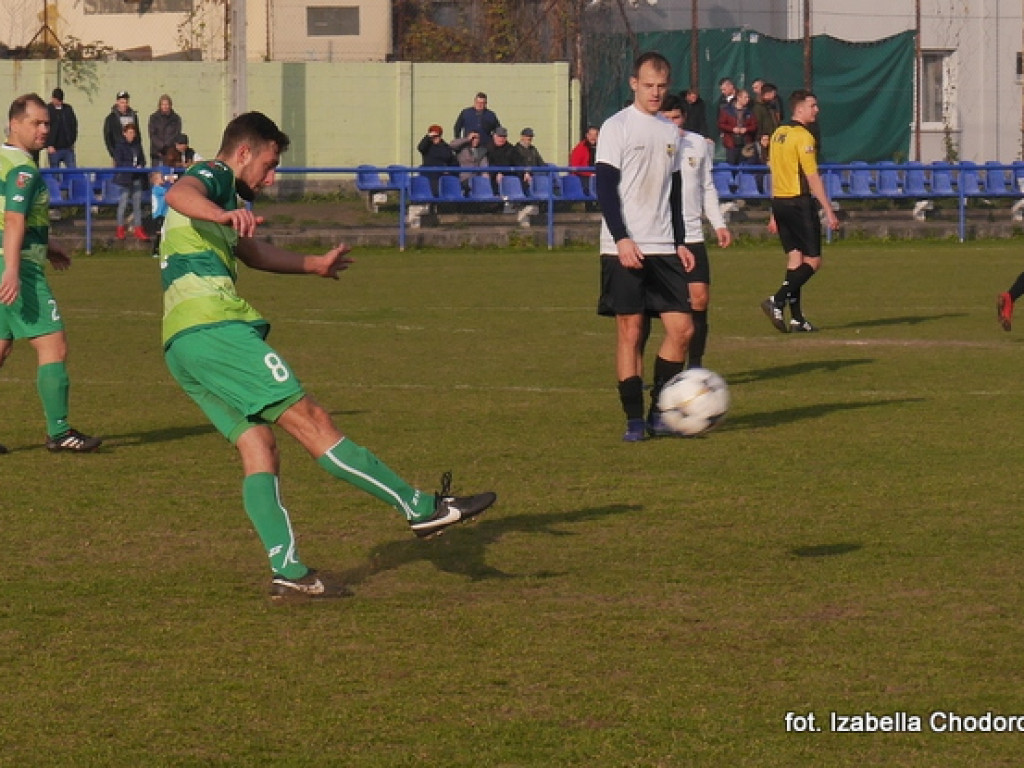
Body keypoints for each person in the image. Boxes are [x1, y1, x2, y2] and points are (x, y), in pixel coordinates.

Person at [158, 110, 496, 598]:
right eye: (269, 164)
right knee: (311, 418)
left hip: (182, 342)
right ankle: (421, 508)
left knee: (260, 447)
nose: (271, 178)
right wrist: (223, 212)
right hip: (214, 328)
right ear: (245, 151)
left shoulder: (225, 197)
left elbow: (251, 254)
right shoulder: (215, 175)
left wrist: (313, 264)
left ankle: (290, 573)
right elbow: (178, 193)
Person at [595, 52, 694, 442]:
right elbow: (604, 187)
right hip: (624, 245)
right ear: (634, 83)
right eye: (648, 86)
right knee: (631, 332)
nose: (655, 93)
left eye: (662, 87)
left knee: (682, 329)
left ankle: (659, 410)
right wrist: (621, 238)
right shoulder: (616, 126)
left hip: (664, 245)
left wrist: (682, 240)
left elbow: (674, 194)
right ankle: (635, 419)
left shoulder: (670, 132)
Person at [0, 93, 102, 454]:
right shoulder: (23, 169)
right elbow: (13, 218)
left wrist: (49, 243)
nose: (44, 129)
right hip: (18, 266)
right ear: (15, 124)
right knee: (53, 345)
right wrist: (12, 269)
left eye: (47, 123)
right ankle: (59, 433)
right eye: (36, 123)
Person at [657, 92, 732, 369]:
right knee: (648, 310)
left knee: (699, 299)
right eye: (666, 119)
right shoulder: (652, 144)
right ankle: (645, 368)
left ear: (684, 118)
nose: (672, 125)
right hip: (659, 236)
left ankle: (695, 367)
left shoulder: (697, 144)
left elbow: (706, 186)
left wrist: (719, 223)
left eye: (676, 118)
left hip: (691, 234)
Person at [761, 90, 839, 334]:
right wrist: (829, 210)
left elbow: (774, 173)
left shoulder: (778, 134)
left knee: (796, 259)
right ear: (799, 109)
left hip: (780, 203)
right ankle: (777, 299)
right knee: (813, 261)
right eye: (813, 106)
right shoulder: (803, 136)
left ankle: (796, 319)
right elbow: (812, 176)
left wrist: (773, 212)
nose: (817, 110)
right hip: (798, 203)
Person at [112, 123, 150, 242]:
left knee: (137, 205)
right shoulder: (119, 146)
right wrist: (132, 166)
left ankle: (138, 228)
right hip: (125, 178)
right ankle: (120, 228)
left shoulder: (137, 145)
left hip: (137, 178)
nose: (131, 135)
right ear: (124, 133)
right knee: (123, 204)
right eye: (129, 133)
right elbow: (119, 162)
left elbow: (142, 159)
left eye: (133, 133)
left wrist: (140, 166)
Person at [718, 88, 757, 166]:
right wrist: (732, 129)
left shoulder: (750, 112)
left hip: (745, 144)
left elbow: (754, 126)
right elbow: (721, 124)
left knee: (745, 166)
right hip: (731, 144)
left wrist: (746, 129)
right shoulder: (726, 111)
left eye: (748, 97)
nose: (747, 99)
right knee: (732, 166)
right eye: (745, 97)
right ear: (739, 98)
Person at [416, 124, 456, 195]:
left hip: (442, 174)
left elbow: (450, 158)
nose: (435, 138)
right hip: (429, 174)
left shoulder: (445, 146)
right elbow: (420, 147)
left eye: (437, 136)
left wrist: (449, 171)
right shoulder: (427, 147)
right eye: (433, 137)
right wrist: (428, 136)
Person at [45, 88, 77, 171]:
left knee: (72, 172)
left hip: (67, 148)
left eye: (61, 100)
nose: (59, 102)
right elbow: (44, 128)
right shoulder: (47, 110)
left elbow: (74, 125)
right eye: (57, 100)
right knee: (55, 174)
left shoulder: (68, 109)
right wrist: (48, 145)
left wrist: (72, 142)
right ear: (53, 98)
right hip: (54, 149)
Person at [103, 90, 141, 160]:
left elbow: (138, 135)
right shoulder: (111, 118)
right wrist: (113, 153)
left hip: (133, 153)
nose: (124, 105)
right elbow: (108, 137)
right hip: (118, 154)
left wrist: (139, 152)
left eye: (126, 102)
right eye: (122, 102)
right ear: (117, 102)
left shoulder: (133, 117)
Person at [147, 94, 182, 165]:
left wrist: (167, 145)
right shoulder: (153, 118)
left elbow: (177, 134)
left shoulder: (176, 118)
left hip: (171, 154)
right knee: (156, 174)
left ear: (170, 105)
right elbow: (152, 134)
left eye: (167, 104)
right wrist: (161, 146)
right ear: (160, 105)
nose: (165, 106)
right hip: (156, 153)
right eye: (163, 104)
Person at [752, 82, 782, 163]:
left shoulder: (770, 106)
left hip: (773, 137)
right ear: (767, 94)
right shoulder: (758, 107)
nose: (774, 96)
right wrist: (762, 137)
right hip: (764, 140)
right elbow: (758, 123)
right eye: (773, 94)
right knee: (763, 162)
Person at [484, 126, 518, 193]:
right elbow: (487, 163)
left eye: (504, 137)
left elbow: (517, 162)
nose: (502, 139)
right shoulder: (487, 148)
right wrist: (497, 172)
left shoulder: (511, 149)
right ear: (494, 136)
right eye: (499, 136)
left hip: (508, 176)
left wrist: (526, 172)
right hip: (491, 177)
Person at [511, 128, 545, 193]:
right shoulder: (516, 150)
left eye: (531, 136)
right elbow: (517, 165)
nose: (529, 139)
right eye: (527, 136)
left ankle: (557, 192)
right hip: (525, 173)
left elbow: (540, 162)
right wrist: (525, 172)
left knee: (552, 168)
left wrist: (546, 168)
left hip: (536, 170)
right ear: (522, 137)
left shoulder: (533, 149)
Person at [569, 126, 599, 193]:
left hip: (596, 177)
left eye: (596, 135)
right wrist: (590, 174)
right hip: (581, 178)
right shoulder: (580, 149)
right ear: (587, 135)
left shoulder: (601, 148)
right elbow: (574, 167)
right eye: (590, 135)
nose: (593, 137)